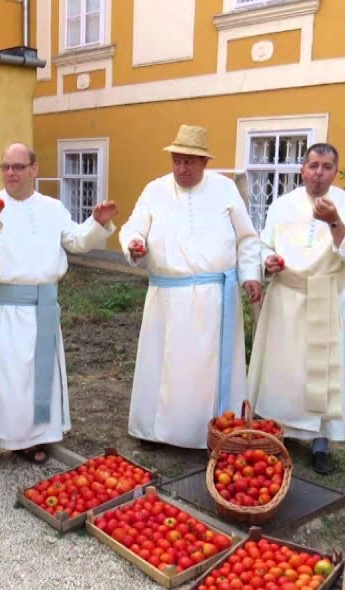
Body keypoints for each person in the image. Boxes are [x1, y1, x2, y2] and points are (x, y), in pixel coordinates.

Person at [0, 143, 118, 478]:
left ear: (34, 170)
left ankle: (31, 438)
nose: (11, 173)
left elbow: (76, 241)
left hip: (41, 309)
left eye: (18, 167)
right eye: (5, 167)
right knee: (0, 378)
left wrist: (97, 223)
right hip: (2, 310)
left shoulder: (52, 207)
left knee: (36, 378)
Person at [118, 124, 263, 450]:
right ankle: (155, 431)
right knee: (164, 366)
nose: (182, 168)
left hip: (214, 299)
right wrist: (135, 243)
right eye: (178, 160)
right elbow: (133, 227)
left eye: (190, 161)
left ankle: (212, 431)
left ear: (204, 162)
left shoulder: (225, 190)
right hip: (167, 298)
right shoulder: (155, 190)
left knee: (206, 372)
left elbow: (247, 239)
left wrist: (251, 274)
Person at [247, 142, 345, 475]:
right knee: (284, 372)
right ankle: (279, 435)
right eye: (313, 165)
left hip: (326, 298)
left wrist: (334, 222)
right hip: (286, 296)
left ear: (335, 171)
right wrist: (266, 260)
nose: (318, 172)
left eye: (326, 166)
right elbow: (263, 243)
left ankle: (321, 444)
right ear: (302, 168)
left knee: (322, 375)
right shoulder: (283, 204)